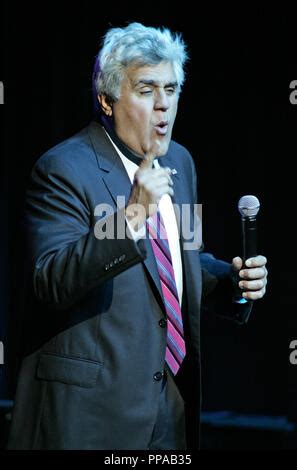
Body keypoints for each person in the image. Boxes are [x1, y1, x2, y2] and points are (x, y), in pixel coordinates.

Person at [7, 22, 268, 450]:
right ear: (107, 99)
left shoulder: (180, 163)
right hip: (90, 420)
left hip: (169, 413)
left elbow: (180, 263)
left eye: (172, 89)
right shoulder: (63, 169)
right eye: (146, 90)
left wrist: (233, 284)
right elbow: (49, 280)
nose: (164, 106)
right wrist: (131, 216)